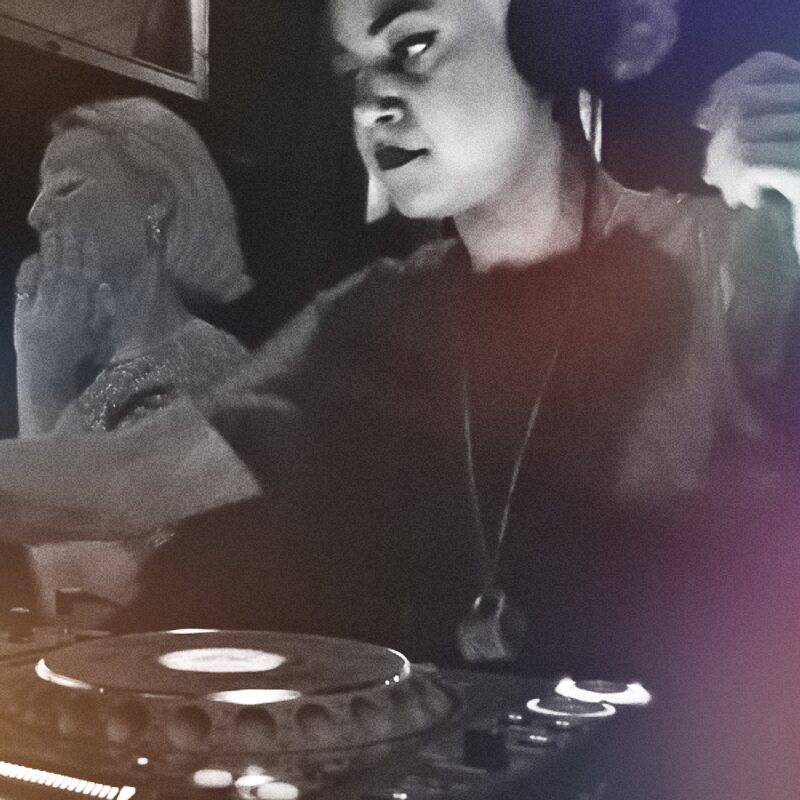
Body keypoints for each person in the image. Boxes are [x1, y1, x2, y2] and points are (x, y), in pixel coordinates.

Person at [104, 2, 800, 795]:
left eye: (413, 45)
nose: (371, 104)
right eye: (354, 73)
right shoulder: (374, 315)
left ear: (551, 40)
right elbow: (123, 478)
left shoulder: (732, 255)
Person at [15, 97, 252, 437]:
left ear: (157, 200)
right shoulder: (117, 370)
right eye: (41, 193)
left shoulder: (205, 364)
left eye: (67, 186)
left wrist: (41, 373)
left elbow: (54, 474)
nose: (36, 215)